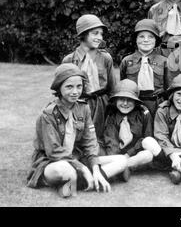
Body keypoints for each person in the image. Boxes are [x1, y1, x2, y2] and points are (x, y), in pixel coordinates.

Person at [27, 63, 128, 198]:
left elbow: (90, 141)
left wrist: (95, 167)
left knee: (122, 160)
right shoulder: (48, 114)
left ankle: (84, 179)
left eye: (79, 86)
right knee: (66, 170)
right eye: (69, 87)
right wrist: (83, 168)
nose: (75, 92)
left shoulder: (83, 108)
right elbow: (53, 151)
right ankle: (79, 178)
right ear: (59, 87)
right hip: (52, 162)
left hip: (77, 157)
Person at [62, 14, 116, 142]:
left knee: (99, 139)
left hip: (101, 105)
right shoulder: (70, 60)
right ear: (83, 34)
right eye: (95, 33)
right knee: (78, 139)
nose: (99, 37)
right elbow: (63, 90)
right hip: (78, 104)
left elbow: (112, 88)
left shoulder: (105, 58)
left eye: (101, 34)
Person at [100, 79, 161, 173]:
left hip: (134, 153)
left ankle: (122, 168)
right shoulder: (112, 114)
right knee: (98, 152)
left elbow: (146, 138)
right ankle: (122, 167)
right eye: (121, 99)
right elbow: (111, 139)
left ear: (136, 101)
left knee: (148, 155)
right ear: (115, 100)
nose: (125, 103)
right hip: (116, 154)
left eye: (129, 100)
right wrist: (117, 157)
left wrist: (129, 154)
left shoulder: (143, 113)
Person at [120, 19, 170, 117]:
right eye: (141, 36)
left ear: (156, 40)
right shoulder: (126, 61)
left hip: (157, 104)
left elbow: (168, 88)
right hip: (134, 104)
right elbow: (123, 86)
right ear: (136, 39)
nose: (146, 40)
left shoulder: (164, 61)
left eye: (150, 37)